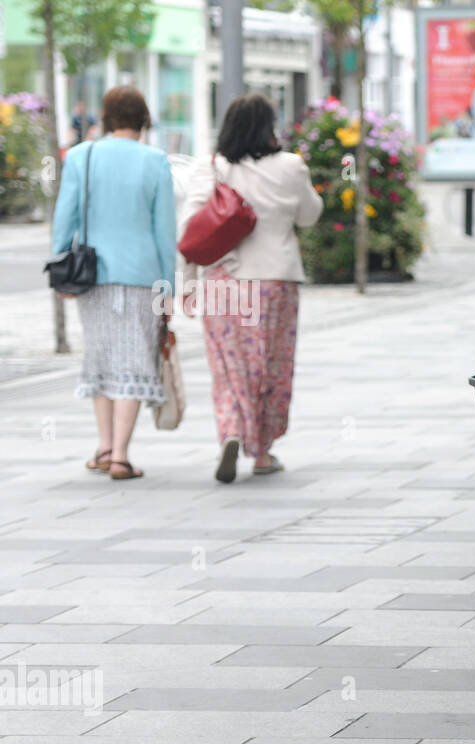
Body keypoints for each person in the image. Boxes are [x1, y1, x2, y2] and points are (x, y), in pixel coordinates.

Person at [179, 94, 322, 484]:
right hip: (276, 280)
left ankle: (231, 432)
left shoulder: (214, 167)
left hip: (225, 281)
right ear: (269, 126)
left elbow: (190, 225)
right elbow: (310, 215)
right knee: (272, 366)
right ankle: (263, 452)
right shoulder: (291, 166)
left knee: (228, 368)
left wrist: (187, 283)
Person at [51, 85, 175, 481]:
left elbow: (64, 216)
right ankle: (121, 455)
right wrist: (167, 288)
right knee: (135, 360)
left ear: (106, 118)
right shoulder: (156, 161)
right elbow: (164, 232)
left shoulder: (82, 156)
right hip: (141, 274)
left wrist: (59, 263)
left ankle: (105, 448)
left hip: (93, 274)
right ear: (143, 120)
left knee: (101, 358)